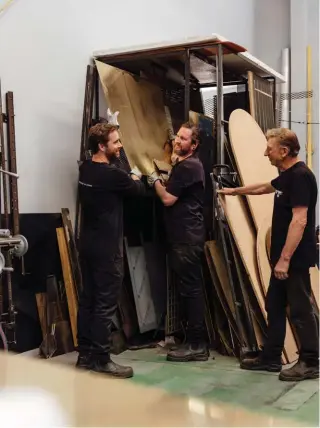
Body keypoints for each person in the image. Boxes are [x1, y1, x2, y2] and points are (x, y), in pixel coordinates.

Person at [219, 128, 319, 382]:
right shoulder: (286, 176)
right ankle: (272, 356)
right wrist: (234, 192)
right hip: (281, 258)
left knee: (300, 309)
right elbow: (265, 187)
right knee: (273, 305)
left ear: (284, 152)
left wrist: (285, 259)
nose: (266, 153)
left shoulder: (301, 177)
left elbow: (300, 220)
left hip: (293, 259)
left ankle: (311, 361)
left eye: (270, 148)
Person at [76, 123, 145, 378]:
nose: (120, 146)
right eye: (116, 142)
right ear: (102, 147)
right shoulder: (112, 176)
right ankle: (102, 360)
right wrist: (134, 175)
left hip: (88, 245)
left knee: (89, 301)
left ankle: (85, 355)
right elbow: (137, 188)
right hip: (107, 249)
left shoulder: (85, 168)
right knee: (105, 304)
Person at [148, 122, 208, 362]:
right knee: (188, 289)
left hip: (186, 238)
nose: (177, 141)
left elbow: (168, 199)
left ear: (193, 145)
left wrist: (154, 180)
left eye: (183, 139)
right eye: (177, 137)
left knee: (191, 290)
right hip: (186, 236)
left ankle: (196, 345)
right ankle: (194, 342)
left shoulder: (188, 167)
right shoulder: (187, 165)